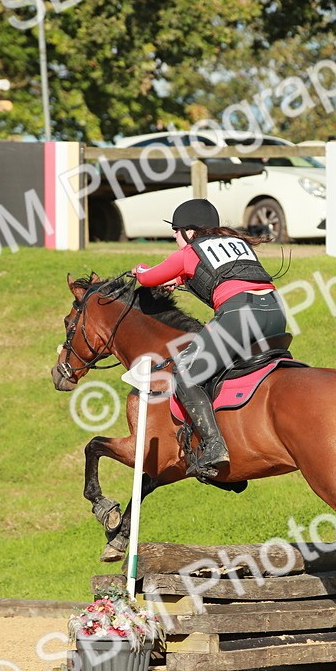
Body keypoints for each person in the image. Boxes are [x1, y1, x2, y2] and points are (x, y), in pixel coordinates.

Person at [132, 199, 287, 480]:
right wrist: (180, 280)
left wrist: (139, 268)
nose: (175, 239)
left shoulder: (190, 250)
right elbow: (222, 274)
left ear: (190, 232)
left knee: (185, 371)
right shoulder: (236, 243)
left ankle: (215, 446)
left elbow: (147, 278)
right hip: (276, 313)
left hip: (240, 315)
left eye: (176, 233)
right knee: (224, 371)